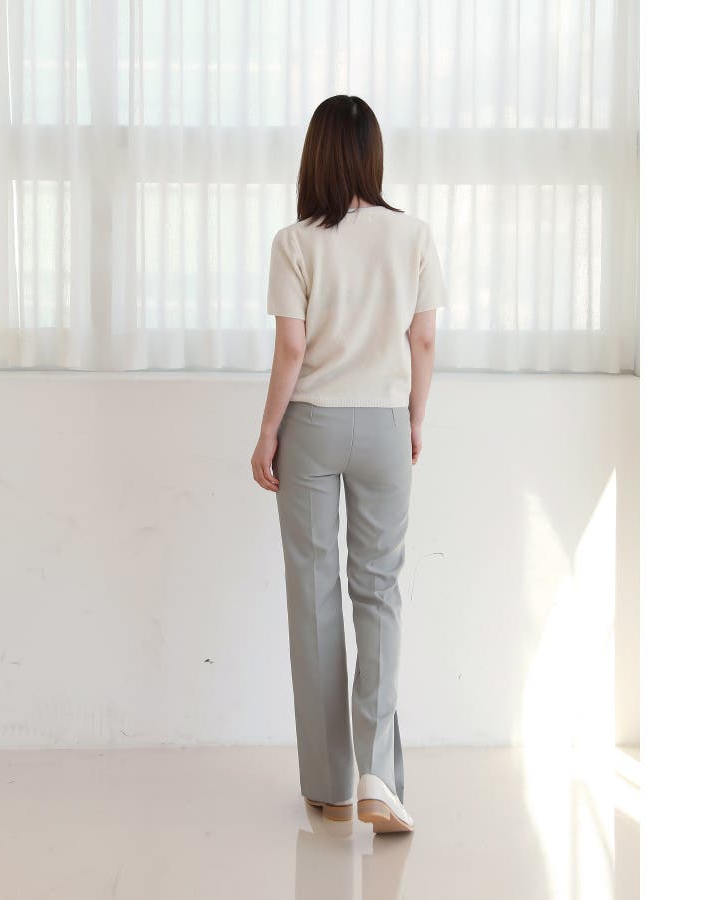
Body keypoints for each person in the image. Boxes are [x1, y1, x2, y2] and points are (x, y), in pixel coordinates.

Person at [250, 95, 447, 834]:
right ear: (373, 156)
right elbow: (422, 341)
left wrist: (267, 433)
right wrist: (414, 418)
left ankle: (330, 787)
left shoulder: (294, 242)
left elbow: (291, 348)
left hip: (312, 425)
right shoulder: (414, 235)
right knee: (380, 593)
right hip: (386, 424)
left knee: (314, 594)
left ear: (317, 155)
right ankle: (380, 778)